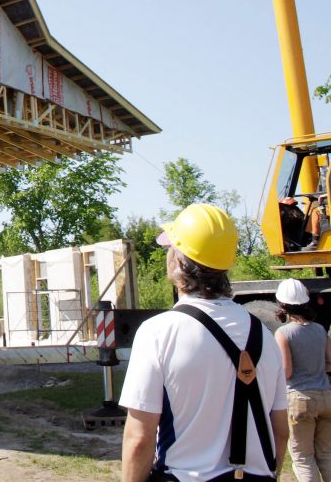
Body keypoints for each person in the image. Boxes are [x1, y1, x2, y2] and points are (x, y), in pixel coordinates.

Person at [120, 203, 289, 482]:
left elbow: (139, 438)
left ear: (178, 262)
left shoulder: (158, 333)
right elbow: (280, 430)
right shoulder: (264, 335)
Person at [273, 278, 331, 480]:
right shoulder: (320, 330)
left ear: (282, 304)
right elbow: (329, 362)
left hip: (299, 399)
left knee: (303, 458)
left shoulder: (284, 333)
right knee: (326, 455)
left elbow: (286, 371)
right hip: (326, 396)